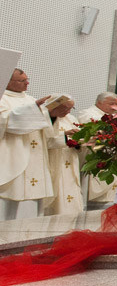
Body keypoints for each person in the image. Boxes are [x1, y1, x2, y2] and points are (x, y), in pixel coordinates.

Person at [0, 69, 71, 220]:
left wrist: (51, 116)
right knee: (9, 207)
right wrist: (33, 109)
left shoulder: (30, 99)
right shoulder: (3, 99)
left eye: (27, 79)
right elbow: (6, 122)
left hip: (36, 162)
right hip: (15, 161)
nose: (27, 83)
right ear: (7, 81)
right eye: (22, 80)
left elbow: (47, 135)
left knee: (31, 208)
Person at [76, 92, 117, 205]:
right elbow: (93, 130)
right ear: (99, 102)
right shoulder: (87, 113)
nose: (114, 107)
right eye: (111, 104)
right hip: (94, 155)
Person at [43, 97, 83, 217]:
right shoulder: (45, 119)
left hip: (70, 161)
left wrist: (79, 142)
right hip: (55, 161)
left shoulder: (71, 119)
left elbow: (79, 138)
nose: (68, 112)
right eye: (66, 108)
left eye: (71, 108)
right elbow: (44, 140)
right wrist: (64, 135)